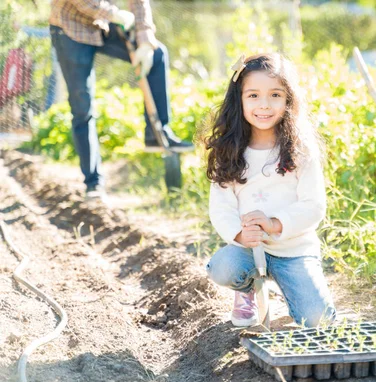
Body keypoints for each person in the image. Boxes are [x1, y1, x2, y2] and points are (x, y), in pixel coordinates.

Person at [204, 53, 336, 328]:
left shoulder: (300, 148)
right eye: (253, 96)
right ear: (238, 100)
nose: (264, 105)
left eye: (275, 95)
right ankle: (246, 290)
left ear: (289, 99)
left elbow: (314, 206)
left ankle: (293, 289)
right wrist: (240, 234)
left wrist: (275, 224)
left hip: (295, 249)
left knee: (318, 320)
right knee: (223, 268)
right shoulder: (229, 150)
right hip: (248, 249)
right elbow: (221, 207)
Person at [49, 0, 194, 200]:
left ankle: (157, 134)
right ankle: (93, 183)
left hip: (104, 25)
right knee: (82, 106)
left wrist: (144, 37)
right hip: (70, 27)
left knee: (157, 53)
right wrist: (115, 14)